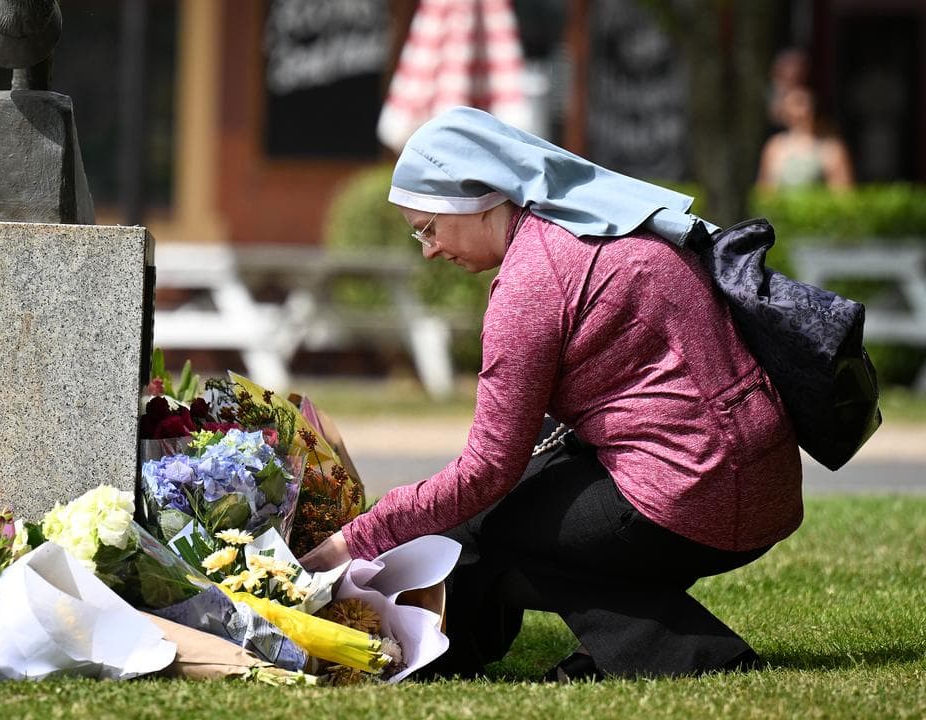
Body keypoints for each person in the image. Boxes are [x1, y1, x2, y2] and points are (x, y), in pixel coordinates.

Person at [299, 107, 803, 681]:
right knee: (514, 502)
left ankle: (692, 653)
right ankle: (501, 650)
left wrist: (354, 538)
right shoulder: (603, 224)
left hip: (700, 496)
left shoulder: (532, 283)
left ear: (481, 200)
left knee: (492, 527)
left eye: (428, 227)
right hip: (767, 486)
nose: (429, 250)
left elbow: (486, 471)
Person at [757, 85, 853, 191]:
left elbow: (843, 195)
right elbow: (765, 192)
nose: (800, 111)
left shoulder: (830, 148)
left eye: (802, 103)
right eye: (795, 104)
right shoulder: (775, 147)